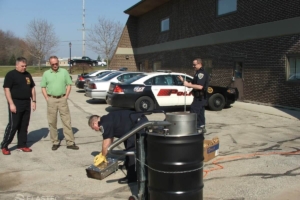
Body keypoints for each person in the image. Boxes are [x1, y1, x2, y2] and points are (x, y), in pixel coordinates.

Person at [88, 110, 148, 184]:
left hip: (138, 123)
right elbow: (110, 139)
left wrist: (103, 156)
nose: (95, 130)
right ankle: (127, 165)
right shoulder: (107, 119)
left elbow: (106, 142)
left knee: (131, 149)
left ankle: (132, 177)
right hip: (133, 123)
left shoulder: (104, 124)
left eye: (93, 128)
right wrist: (103, 152)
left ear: (94, 123)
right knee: (127, 144)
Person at [41, 56, 79, 151]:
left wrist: (66, 96)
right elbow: (43, 87)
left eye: (56, 63)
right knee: (52, 122)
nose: (55, 65)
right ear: (50, 64)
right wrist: (47, 98)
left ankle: (70, 142)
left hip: (62, 99)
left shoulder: (64, 72)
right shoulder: (46, 74)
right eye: (53, 64)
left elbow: (69, 84)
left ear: (58, 62)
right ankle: (55, 142)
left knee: (66, 121)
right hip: (51, 100)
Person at [1, 57, 36, 155]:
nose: (24, 68)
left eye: (25, 66)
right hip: (15, 102)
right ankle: (4, 145)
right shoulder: (11, 75)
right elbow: (6, 89)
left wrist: (34, 101)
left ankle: (22, 145)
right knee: (13, 125)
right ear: (16, 65)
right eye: (22, 66)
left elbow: (32, 87)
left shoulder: (27, 75)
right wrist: (11, 104)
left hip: (26, 102)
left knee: (24, 125)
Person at [178, 58, 209, 133]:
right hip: (198, 98)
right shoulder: (197, 73)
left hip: (200, 98)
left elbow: (200, 86)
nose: (193, 66)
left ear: (199, 64)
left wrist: (188, 84)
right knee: (200, 114)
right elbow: (191, 84)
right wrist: (183, 81)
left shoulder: (202, 73)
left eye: (194, 65)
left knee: (193, 112)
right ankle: (201, 127)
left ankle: (193, 130)